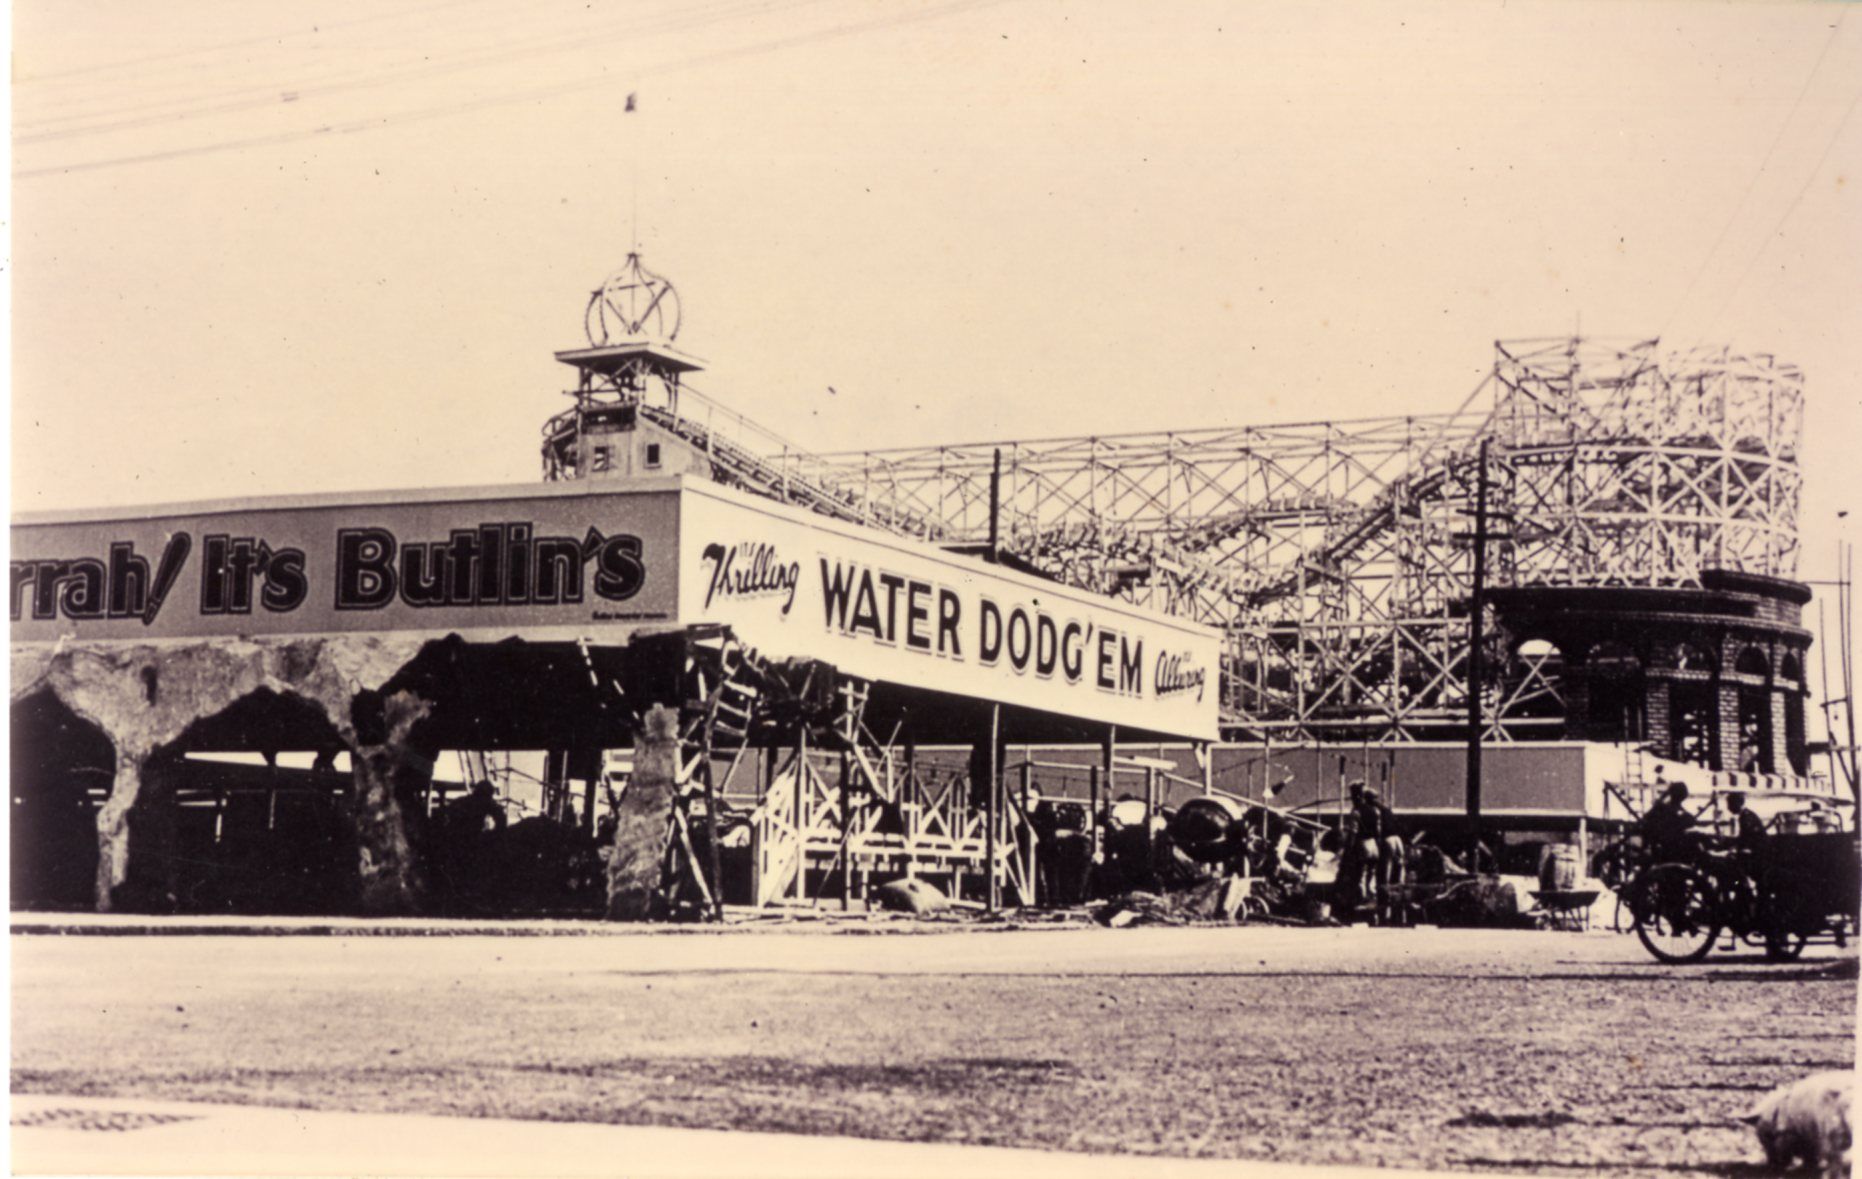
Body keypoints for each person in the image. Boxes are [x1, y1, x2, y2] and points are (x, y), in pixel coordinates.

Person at [1638, 782, 1696, 863]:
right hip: (1670, 848)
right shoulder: (1670, 809)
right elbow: (1690, 821)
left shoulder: (1664, 807)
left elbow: (1646, 818)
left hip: (1664, 846)